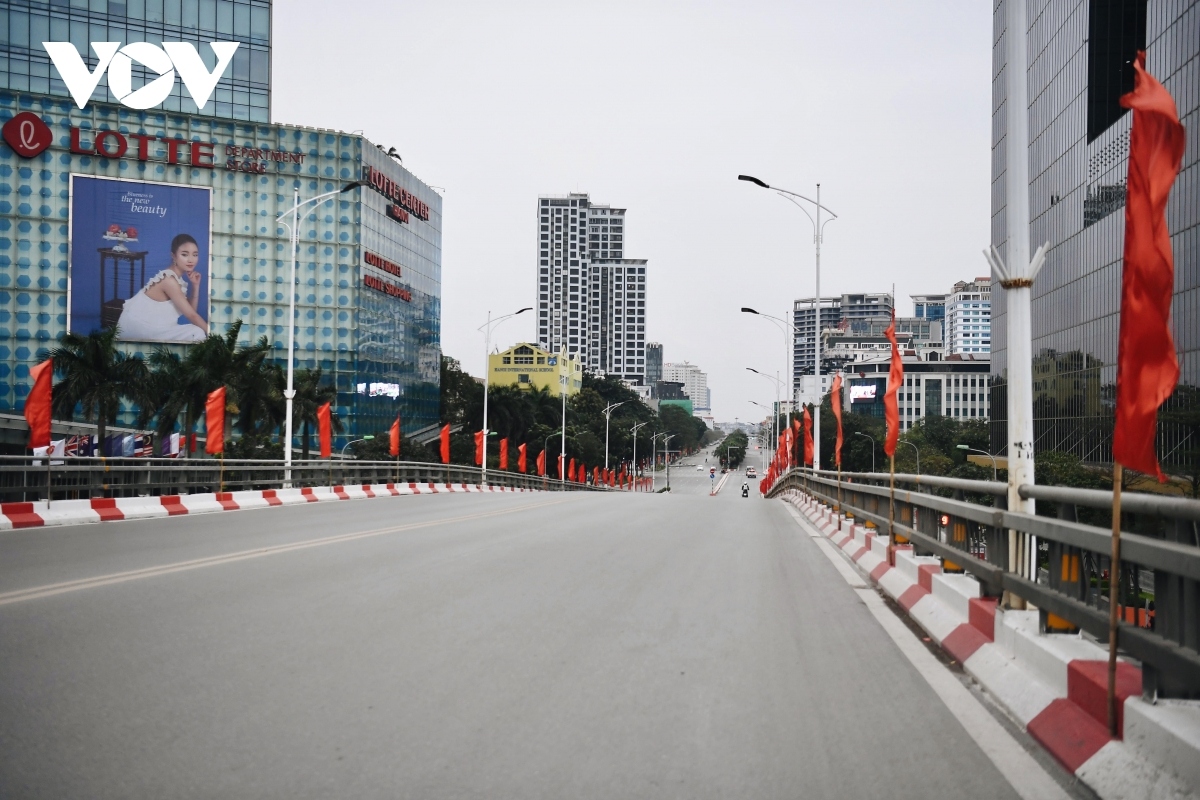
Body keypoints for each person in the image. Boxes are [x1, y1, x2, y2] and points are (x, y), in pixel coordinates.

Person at [117, 233, 208, 342]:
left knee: (196, 331)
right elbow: (192, 316)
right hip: (139, 326)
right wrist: (216, 335)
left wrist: (195, 285)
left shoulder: (176, 279)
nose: (191, 259)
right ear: (174, 256)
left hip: (152, 326)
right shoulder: (169, 280)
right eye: (184, 254)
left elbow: (191, 311)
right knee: (196, 333)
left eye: (195, 254)